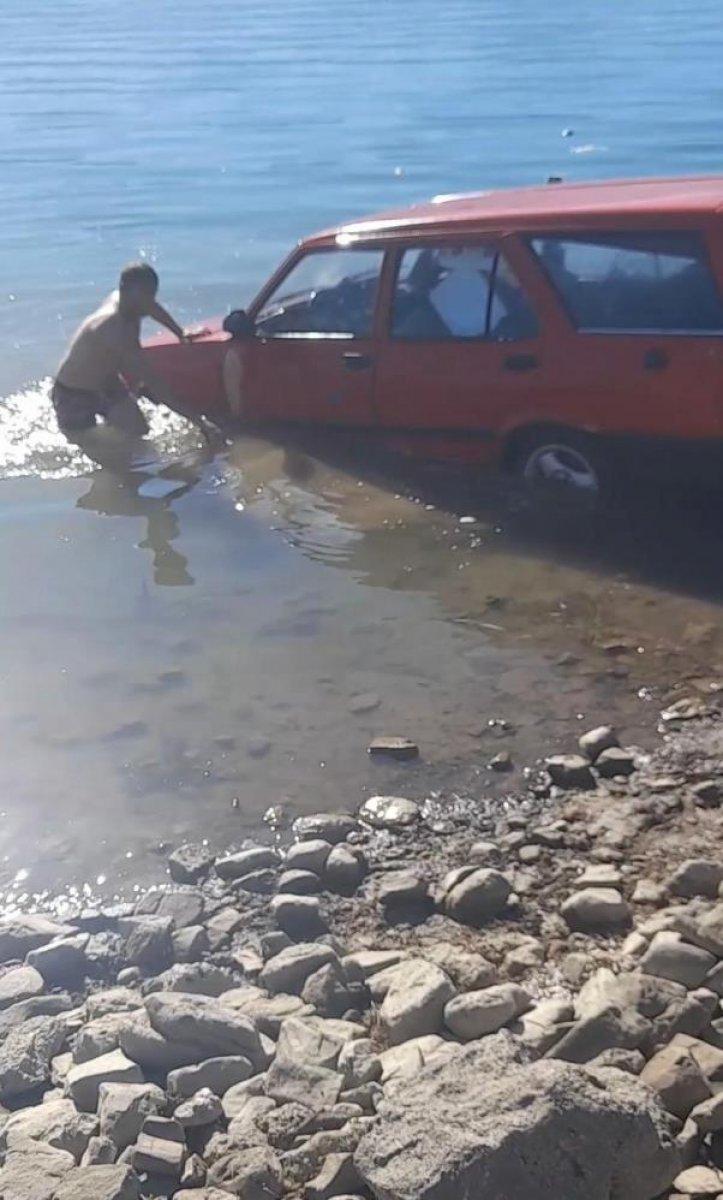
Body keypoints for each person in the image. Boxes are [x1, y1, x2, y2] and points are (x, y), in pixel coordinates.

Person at [52, 262, 197, 440]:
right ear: (124, 290)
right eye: (143, 298)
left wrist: (180, 333)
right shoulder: (113, 327)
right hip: (73, 392)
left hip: (107, 382)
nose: (147, 303)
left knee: (139, 431)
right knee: (90, 443)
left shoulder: (130, 301)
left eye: (151, 295)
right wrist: (200, 423)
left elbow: (154, 308)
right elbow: (154, 382)